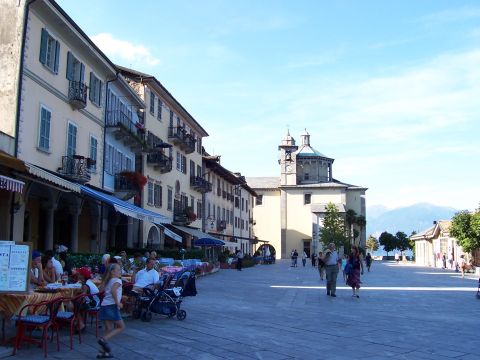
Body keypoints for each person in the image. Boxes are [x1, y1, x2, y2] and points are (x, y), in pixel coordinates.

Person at [98, 263, 125, 358]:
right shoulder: (117, 280)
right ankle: (103, 339)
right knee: (121, 326)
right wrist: (118, 303)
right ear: (113, 272)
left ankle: (101, 352)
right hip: (111, 306)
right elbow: (113, 291)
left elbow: (102, 290)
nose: (120, 271)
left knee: (109, 329)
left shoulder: (109, 280)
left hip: (104, 306)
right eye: (118, 270)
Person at [75, 267, 99, 332]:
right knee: (78, 303)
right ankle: (81, 322)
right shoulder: (88, 282)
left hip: (93, 304)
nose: (77, 274)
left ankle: (81, 323)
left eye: (79, 273)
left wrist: (74, 298)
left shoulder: (85, 285)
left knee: (74, 305)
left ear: (82, 276)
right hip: (96, 301)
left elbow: (82, 296)